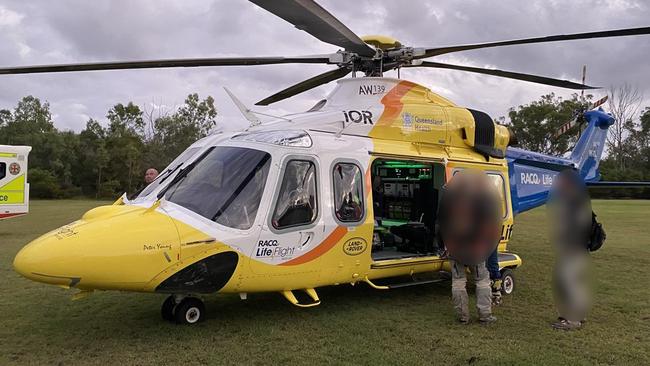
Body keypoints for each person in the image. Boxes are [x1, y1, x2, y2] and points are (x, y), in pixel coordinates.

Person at [439, 170, 500, 325]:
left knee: (458, 281)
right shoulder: (483, 199)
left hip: (455, 246)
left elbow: (441, 222)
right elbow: (489, 223)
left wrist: (447, 244)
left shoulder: (450, 198)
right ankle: (484, 315)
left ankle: (462, 315)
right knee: (482, 280)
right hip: (475, 247)